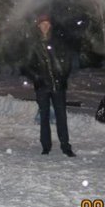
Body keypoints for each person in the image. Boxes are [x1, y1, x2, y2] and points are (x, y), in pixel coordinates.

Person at [21, 14, 76, 157]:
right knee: (44, 116)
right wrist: (37, 78)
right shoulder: (33, 43)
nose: (45, 26)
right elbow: (26, 65)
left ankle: (65, 145)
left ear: (50, 25)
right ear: (38, 26)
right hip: (42, 86)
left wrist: (62, 76)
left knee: (61, 116)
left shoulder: (58, 41)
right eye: (42, 23)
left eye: (47, 23)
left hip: (58, 85)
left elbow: (67, 60)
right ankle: (46, 145)